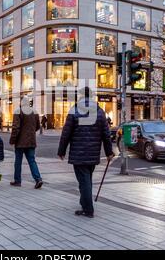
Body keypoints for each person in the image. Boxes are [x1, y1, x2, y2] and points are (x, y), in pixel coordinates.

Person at [57, 87, 114, 218]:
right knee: (86, 179)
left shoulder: (74, 111)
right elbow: (106, 134)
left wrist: (61, 151)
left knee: (84, 181)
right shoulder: (100, 112)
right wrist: (109, 152)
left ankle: (88, 209)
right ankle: (84, 203)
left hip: (78, 154)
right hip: (93, 153)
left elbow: (66, 133)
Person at [9, 96, 43, 189]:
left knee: (18, 162)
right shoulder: (34, 112)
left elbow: (16, 128)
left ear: (21, 102)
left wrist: (12, 140)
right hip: (31, 141)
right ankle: (38, 179)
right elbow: (37, 126)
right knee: (32, 161)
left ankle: (17, 181)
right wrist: (31, 133)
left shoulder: (18, 111)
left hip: (20, 142)